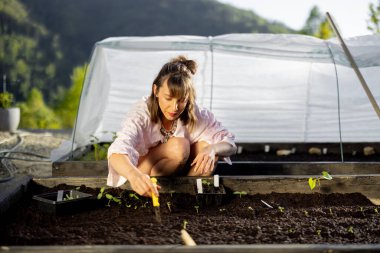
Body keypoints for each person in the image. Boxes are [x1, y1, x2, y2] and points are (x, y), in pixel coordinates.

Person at [107, 55, 237, 197]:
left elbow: (230, 144)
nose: (174, 107)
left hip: (177, 173)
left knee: (207, 152)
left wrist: (212, 149)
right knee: (179, 146)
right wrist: (134, 175)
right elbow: (117, 152)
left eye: (182, 100)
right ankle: (154, 191)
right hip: (142, 174)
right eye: (168, 98)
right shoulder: (141, 114)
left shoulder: (196, 113)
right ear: (155, 90)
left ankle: (183, 195)